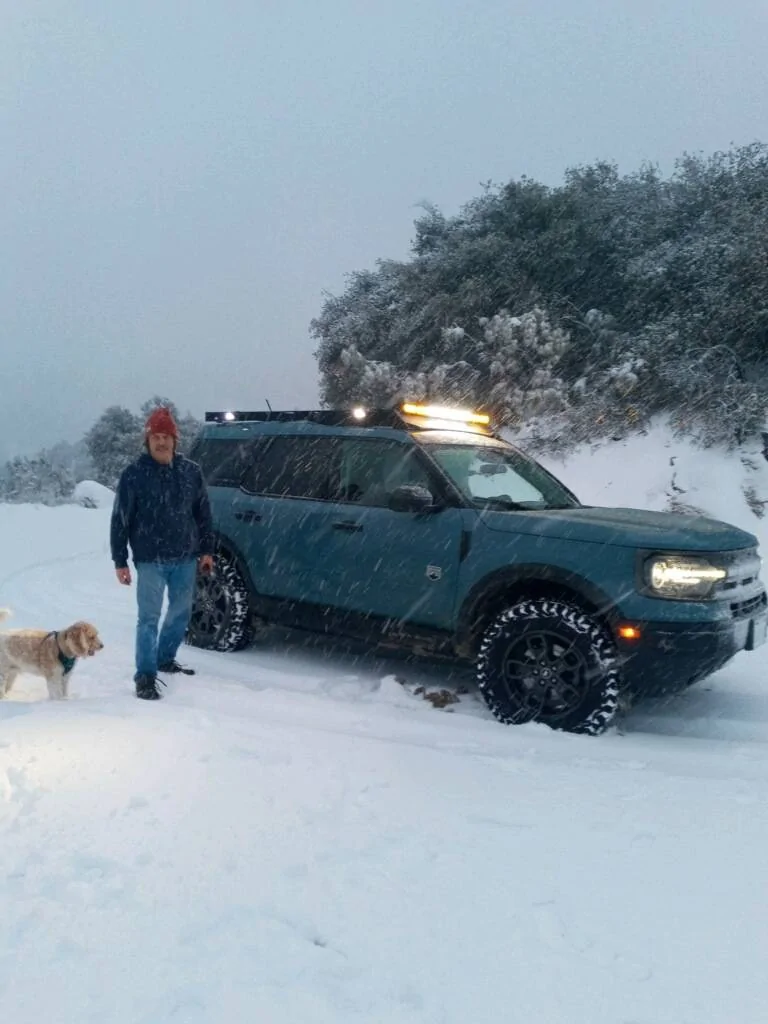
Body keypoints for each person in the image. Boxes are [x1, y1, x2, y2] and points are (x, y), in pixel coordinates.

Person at [110, 407, 215, 700]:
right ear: (148, 440)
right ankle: (145, 676)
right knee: (148, 618)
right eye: (155, 436)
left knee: (181, 613)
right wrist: (120, 560)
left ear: (174, 440)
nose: (161, 442)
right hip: (150, 560)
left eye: (166, 436)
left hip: (185, 557)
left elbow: (203, 514)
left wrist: (207, 549)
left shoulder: (190, 472)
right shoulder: (134, 474)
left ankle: (165, 657)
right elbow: (120, 519)